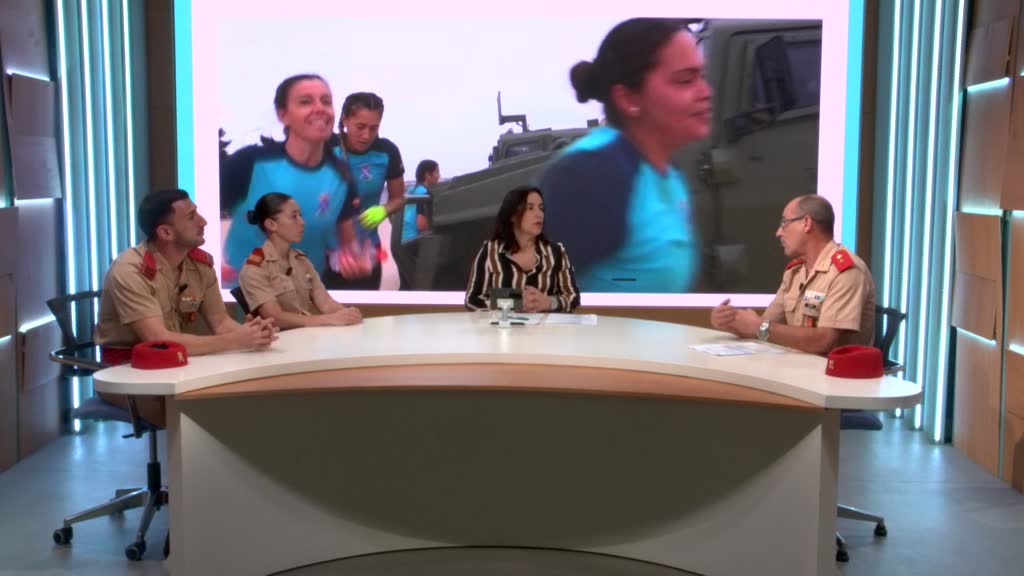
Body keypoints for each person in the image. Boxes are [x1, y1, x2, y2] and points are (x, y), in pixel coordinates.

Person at [540, 18, 712, 293]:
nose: (706, 92)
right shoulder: (590, 175)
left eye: (702, 76)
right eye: (685, 80)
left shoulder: (667, 172)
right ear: (628, 98)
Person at [95, 189, 279, 427]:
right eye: (192, 217)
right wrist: (236, 340)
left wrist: (253, 334)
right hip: (128, 372)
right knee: (198, 417)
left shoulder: (200, 264)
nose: (203, 222)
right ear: (166, 232)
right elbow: (158, 339)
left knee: (243, 398)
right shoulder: (130, 270)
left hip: (176, 365)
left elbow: (221, 322)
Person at [220, 73, 372, 287]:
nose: (319, 108)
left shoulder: (341, 176)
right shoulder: (249, 162)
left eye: (326, 101)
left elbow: (348, 249)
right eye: (305, 102)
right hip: (241, 297)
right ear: (283, 115)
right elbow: (192, 217)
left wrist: (358, 262)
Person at [710, 194, 876, 355]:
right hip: (800, 368)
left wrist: (759, 327)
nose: (778, 233)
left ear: (806, 223)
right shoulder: (795, 272)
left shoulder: (846, 272)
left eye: (784, 223)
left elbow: (825, 341)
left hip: (833, 372)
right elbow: (766, 328)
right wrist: (732, 322)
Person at [239, 193, 363, 329]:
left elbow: (325, 302)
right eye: (294, 217)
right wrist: (327, 319)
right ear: (271, 224)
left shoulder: (301, 261)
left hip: (305, 337)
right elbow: (274, 317)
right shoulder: (255, 267)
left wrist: (347, 314)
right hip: (278, 339)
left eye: (300, 215)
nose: (302, 222)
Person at [326, 91, 407, 290]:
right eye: (360, 127)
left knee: (363, 308)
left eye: (374, 128)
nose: (367, 135)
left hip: (367, 252)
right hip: (323, 253)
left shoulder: (387, 152)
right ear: (345, 120)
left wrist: (384, 209)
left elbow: (398, 198)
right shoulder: (324, 146)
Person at [465, 185, 581, 313]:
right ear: (512, 216)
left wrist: (549, 302)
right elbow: (472, 300)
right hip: (504, 326)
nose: (539, 214)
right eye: (530, 208)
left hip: (545, 326)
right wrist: (515, 301)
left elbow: (574, 298)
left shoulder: (556, 252)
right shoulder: (490, 251)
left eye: (541, 208)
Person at [402, 159, 439, 243]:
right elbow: (421, 225)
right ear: (427, 175)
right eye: (437, 172)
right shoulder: (425, 194)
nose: (439, 176)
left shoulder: (410, 191)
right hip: (413, 240)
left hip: (402, 239)